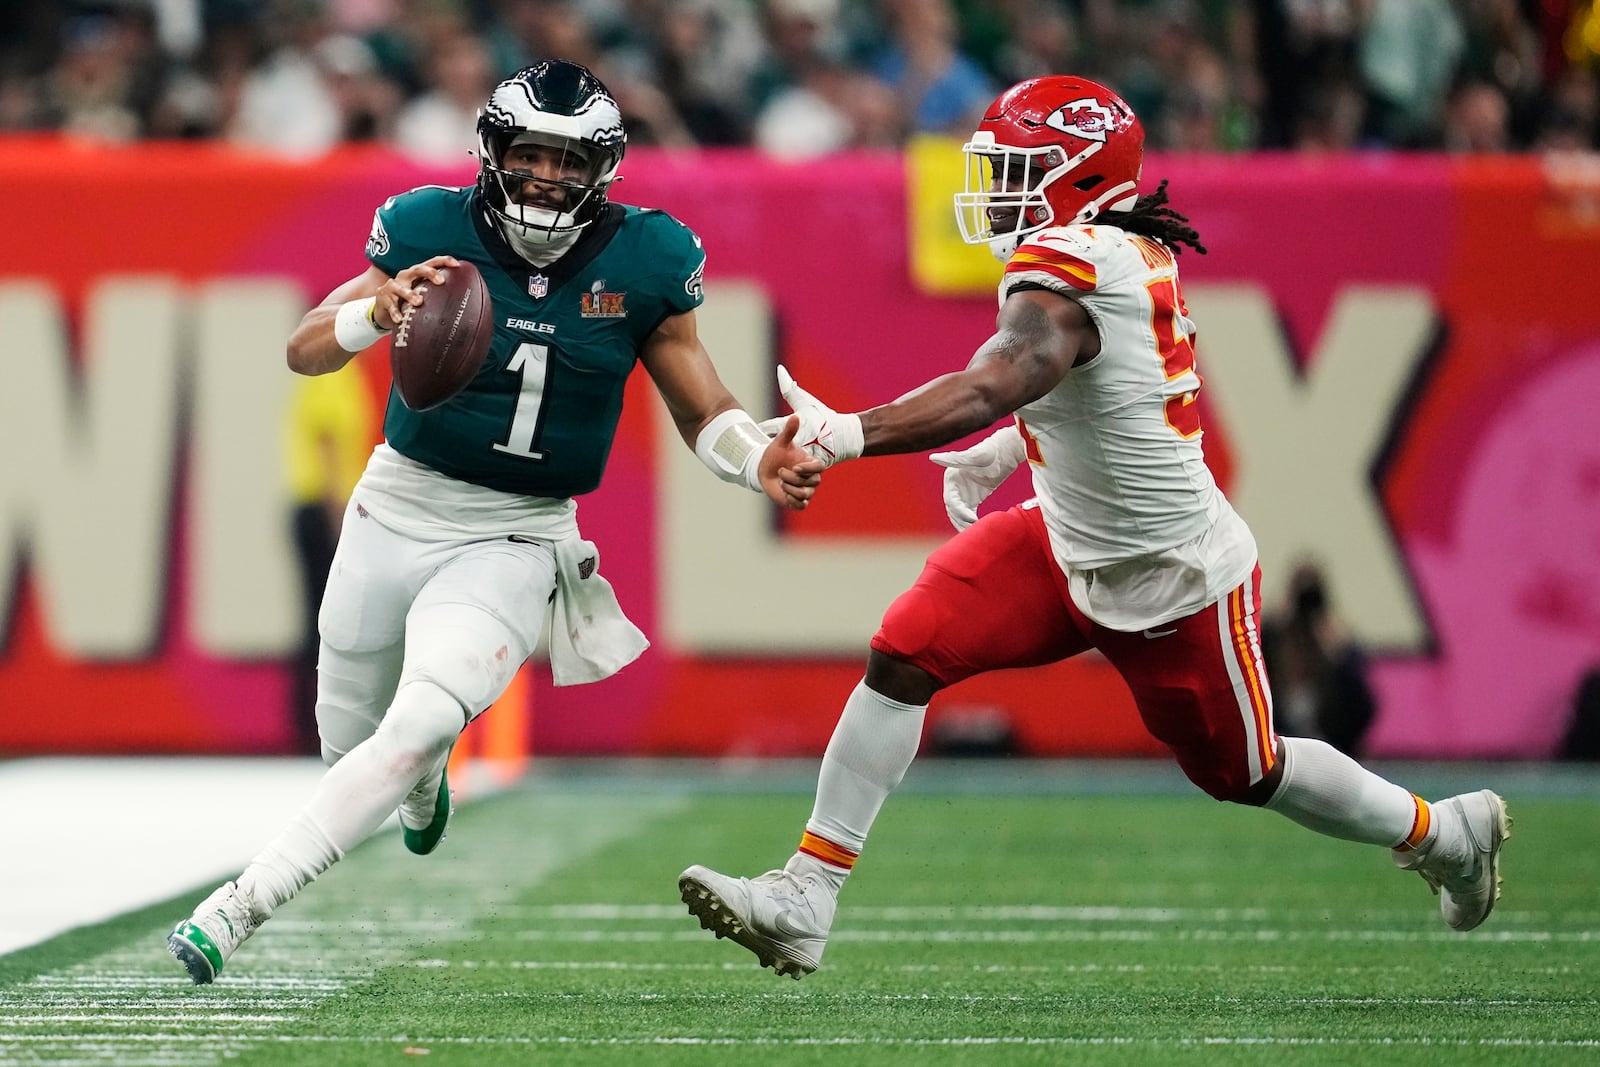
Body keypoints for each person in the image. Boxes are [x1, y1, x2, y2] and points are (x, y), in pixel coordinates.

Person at [678, 74, 1511, 979]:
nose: (995, 188)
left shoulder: (1081, 260)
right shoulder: (1115, 250)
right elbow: (1102, 388)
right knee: (904, 652)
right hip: (1064, 537)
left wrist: (850, 433)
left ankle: (1443, 834)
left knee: (1248, 770)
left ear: (1077, 177)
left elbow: (1010, 372)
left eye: (1017, 167)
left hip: (1171, 576)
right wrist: (1014, 449)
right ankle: (808, 892)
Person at [167, 59, 823, 985]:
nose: (550, 177)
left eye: (571, 160)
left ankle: (236, 907)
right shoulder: (426, 226)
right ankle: (424, 774)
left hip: (518, 532)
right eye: (532, 155)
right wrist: (373, 314)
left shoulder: (647, 258)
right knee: (348, 743)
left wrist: (758, 457)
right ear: (492, 153)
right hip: (397, 501)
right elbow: (303, 345)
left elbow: (700, 403)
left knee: (421, 716)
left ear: (605, 168)